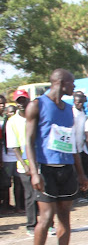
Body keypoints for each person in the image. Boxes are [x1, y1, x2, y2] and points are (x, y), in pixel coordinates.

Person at [25, 69, 88, 245]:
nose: (74, 87)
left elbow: (71, 143)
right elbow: (28, 141)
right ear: (61, 82)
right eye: (72, 83)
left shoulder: (69, 109)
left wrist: (81, 173)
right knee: (45, 218)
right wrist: (34, 172)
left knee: (65, 217)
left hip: (66, 168)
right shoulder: (37, 105)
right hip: (46, 168)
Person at [5, 90, 37, 234]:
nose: (21, 103)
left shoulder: (36, 116)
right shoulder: (12, 122)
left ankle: (48, 223)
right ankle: (31, 225)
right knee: (30, 195)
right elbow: (15, 146)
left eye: (23, 100)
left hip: (39, 161)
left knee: (45, 195)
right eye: (18, 101)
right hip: (24, 164)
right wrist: (24, 165)